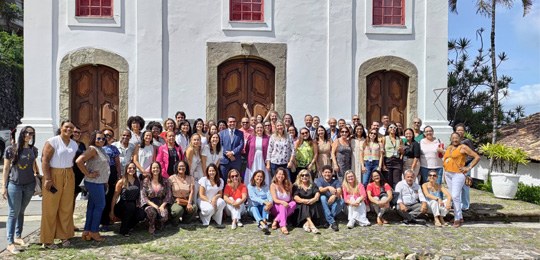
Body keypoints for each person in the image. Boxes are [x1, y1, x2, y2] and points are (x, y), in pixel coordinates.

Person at [40, 120, 79, 249]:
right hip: (54, 175)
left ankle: (64, 236)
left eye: (71, 127)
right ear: (61, 128)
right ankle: (48, 240)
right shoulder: (52, 141)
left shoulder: (74, 144)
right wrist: (47, 178)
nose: (69, 129)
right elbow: (44, 160)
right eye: (66, 127)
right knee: (50, 208)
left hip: (69, 174)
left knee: (66, 207)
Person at [2, 126, 39, 254]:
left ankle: (18, 236)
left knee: (21, 210)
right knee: (13, 212)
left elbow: (34, 165)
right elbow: (6, 169)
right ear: (22, 134)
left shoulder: (34, 150)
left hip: (29, 184)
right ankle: (10, 242)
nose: (29, 135)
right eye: (27, 133)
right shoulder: (11, 149)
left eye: (31, 133)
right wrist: (3, 186)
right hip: (14, 184)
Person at [76, 130, 110, 242]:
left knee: (92, 206)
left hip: (99, 181)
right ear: (93, 139)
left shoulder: (100, 149)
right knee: (100, 205)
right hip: (94, 182)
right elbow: (79, 161)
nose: (101, 140)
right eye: (98, 138)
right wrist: (88, 174)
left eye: (103, 138)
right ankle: (94, 231)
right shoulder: (92, 149)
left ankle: (87, 231)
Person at [443, 132, 480, 228]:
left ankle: (457, 219)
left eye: (456, 138)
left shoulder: (463, 147)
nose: (455, 140)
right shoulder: (449, 147)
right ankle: (460, 216)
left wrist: (468, 167)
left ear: (460, 139)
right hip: (448, 174)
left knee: (455, 196)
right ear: (451, 139)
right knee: (453, 195)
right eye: (453, 138)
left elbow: (477, 157)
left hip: (458, 174)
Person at [109, 162, 145, 236]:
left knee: (142, 214)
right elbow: (115, 197)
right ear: (126, 169)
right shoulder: (121, 181)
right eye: (130, 168)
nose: (132, 169)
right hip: (122, 205)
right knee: (130, 206)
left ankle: (129, 225)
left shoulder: (137, 180)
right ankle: (124, 230)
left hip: (134, 204)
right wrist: (112, 211)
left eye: (134, 168)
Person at [141, 162, 171, 234]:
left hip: (161, 203)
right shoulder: (146, 181)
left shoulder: (165, 181)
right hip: (150, 204)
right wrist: (154, 205)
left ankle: (158, 223)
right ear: (151, 169)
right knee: (152, 212)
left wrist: (162, 206)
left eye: (157, 167)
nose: (155, 169)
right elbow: (143, 196)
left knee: (164, 216)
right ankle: (151, 225)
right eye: (153, 168)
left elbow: (168, 195)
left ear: (160, 169)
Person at [101, 128, 122, 231]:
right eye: (105, 135)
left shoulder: (114, 149)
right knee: (100, 197)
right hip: (100, 174)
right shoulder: (97, 147)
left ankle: (106, 220)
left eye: (109, 135)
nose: (107, 137)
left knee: (109, 197)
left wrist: (119, 175)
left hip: (112, 173)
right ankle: (97, 220)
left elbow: (117, 163)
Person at [168, 160, 198, 225]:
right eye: (180, 166)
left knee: (194, 207)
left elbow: (192, 191)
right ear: (176, 167)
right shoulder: (171, 178)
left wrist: (189, 203)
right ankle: (174, 222)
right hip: (176, 200)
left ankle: (186, 221)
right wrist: (173, 200)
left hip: (186, 200)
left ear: (186, 168)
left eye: (183, 166)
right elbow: (168, 192)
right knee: (178, 210)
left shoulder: (190, 178)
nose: (182, 168)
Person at [315, 165, 344, 231]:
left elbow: (339, 191)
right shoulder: (319, 180)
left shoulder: (336, 181)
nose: (327, 174)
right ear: (322, 173)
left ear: (331, 173)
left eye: (329, 172)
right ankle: (332, 222)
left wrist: (335, 195)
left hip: (334, 202)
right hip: (324, 203)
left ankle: (326, 220)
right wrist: (328, 187)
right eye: (325, 172)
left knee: (342, 201)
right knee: (322, 197)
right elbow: (321, 189)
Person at [293, 169, 322, 234]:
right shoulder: (296, 185)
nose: (304, 177)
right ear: (299, 177)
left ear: (309, 176)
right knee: (305, 205)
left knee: (312, 204)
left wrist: (314, 199)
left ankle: (307, 224)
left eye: (306, 175)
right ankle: (312, 225)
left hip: (312, 205)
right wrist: (304, 200)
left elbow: (317, 193)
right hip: (300, 207)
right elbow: (295, 197)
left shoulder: (313, 185)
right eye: (302, 175)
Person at [269, 167, 296, 235]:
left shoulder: (289, 184)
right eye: (279, 174)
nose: (281, 176)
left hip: (286, 205)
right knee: (282, 206)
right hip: (276, 206)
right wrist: (283, 202)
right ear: (275, 175)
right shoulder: (273, 185)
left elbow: (290, 198)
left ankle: (276, 220)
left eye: (283, 174)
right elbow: (275, 199)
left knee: (293, 203)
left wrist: (287, 203)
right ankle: (283, 225)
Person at [455, 123, 475, 211]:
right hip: (455, 168)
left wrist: (464, 164)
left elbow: (472, 155)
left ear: (464, 131)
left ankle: (465, 205)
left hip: (465, 168)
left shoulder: (467, 141)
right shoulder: (455, 142)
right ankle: (457, 204)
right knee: (457, 186)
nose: (459, 131)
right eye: (458, 130)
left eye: (461, 130)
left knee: (465, 186)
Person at [247, 170, 273, 234]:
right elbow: (253, 198)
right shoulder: (250, 186)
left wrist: (270, 203)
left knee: (266, 206)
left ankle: (264, 221)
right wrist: (264, 201)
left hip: (263, 208)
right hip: (252, 208)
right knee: (254, 208)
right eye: (258, 176)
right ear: (254, 177)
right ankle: (262, 223)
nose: (259, 178)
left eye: (261, 177)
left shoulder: (265, 186)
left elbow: (269, 196)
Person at [219, 116, 244, 181]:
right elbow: (220, 146)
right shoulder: (222, 133)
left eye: (234, 122)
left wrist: (232, 153)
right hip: (224, 161)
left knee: (236, 180)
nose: (232, 123)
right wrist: (229, 155)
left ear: (236, 123)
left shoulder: (240, 133)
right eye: (230, 122)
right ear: (227, 123)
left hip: (236, 161)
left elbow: (241, 145)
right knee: (224, 180)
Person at [71, 126, 87, 219]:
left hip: (79, 174)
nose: (77, 134)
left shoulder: (82, 145)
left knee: (73, 198)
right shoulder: (67, 143)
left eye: (79, 133)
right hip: (70, 173)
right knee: (69, 199)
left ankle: (70, 222)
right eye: (75, 132)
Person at [185, 133, 206, 201]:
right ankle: (194, 204)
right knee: (194, 188)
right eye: (194, 140)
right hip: (190, 171)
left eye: (198, 140)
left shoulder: (199, 149)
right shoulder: (190, 150)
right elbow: (189, 165)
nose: (196, 141)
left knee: (201, 186)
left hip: (197, 171)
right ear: (191, 141)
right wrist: (190, 177)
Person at [382, 123, 403, 188]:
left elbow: (402, 152)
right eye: (391, 127)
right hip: (388, 160)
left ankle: (396, 195)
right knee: (388, 180)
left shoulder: (399, 139)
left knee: (397, 181)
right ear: (388, 129)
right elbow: (382, 152)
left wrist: (401, 156)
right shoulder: (384, 138)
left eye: (394, 127)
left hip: (396, 161)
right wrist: (383, 164)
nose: (393, 129)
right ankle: (389, 196)